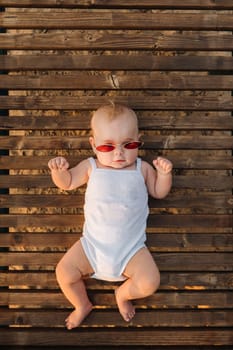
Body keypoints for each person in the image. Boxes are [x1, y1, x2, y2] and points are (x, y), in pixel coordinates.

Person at [48, 103, 173, 330]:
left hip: (132, 250)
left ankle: (123, 294)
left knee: (150, 282)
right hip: (91, 247)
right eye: (107, 147)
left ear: (138, 139)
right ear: (94, 145)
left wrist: (164, 175)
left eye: (129, 144)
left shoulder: (141, 168)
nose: (119, 153)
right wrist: (59, 173)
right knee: (64, 273)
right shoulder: (91, 167)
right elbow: (67, 184)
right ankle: (82, 304)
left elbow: (159, 192)